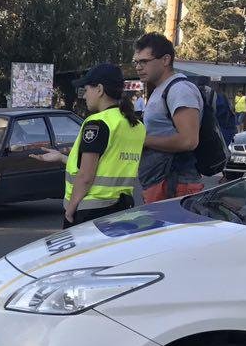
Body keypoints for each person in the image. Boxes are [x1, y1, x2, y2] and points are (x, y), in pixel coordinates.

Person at [33, 63, 146, 227]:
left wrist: (70, 209)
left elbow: (86, 176)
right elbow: (108, 163)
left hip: (90, 209)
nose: (84, 96)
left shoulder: (97, 123)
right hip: (122, 206)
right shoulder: (135, 125)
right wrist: (62, 158)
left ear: (99, 89)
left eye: (86, 90)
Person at [132, 32, 203, 204]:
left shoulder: (179, 90)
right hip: (162, 182)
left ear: (165, 60)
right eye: (136, 62)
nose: (138, 67)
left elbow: (189, 141)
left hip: (176, 183)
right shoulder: (160, 89)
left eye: (144, 61)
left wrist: (143, 140)